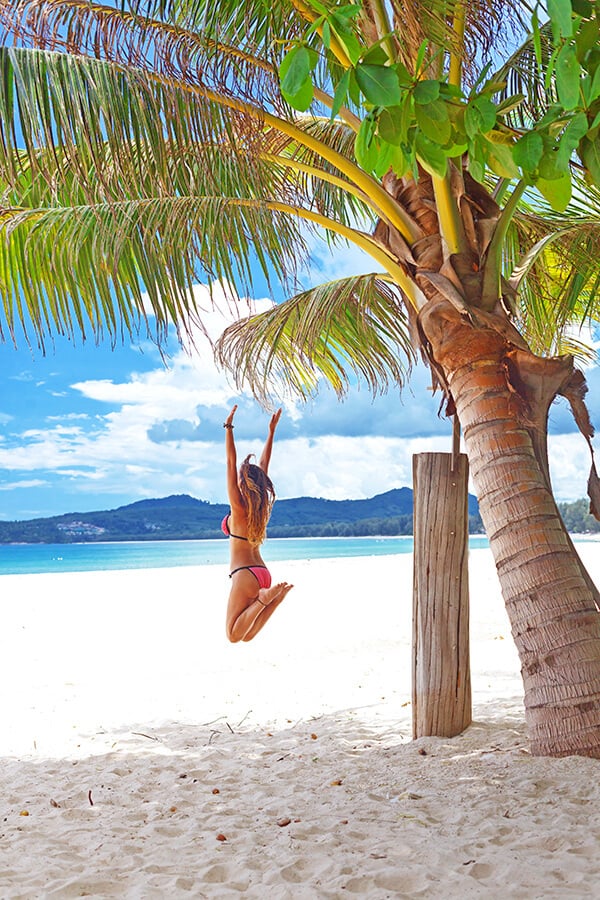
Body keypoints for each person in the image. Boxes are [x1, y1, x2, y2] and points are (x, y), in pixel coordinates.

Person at [222, 404, 293, 642]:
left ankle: (267, 599)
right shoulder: (260, 508)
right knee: (247, 635)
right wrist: (271, 432)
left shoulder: (239, 508)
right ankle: (273, 598)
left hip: (244, 574)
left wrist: (229, 428)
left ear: (243, 482)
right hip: (261, 573)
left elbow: (230, 462)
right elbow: (264, 465)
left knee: (234, 635)